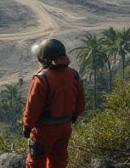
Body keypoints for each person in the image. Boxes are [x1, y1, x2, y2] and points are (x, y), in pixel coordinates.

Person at [22, 38, 86, 168]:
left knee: (36, 162)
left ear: (45, 60)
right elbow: (80, 101)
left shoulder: (42, 79)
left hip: (44, 131)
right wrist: (74, 115)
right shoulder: (73, 74)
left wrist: (27, 126)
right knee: (58, 160)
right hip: (65, 128)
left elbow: (33, 106)